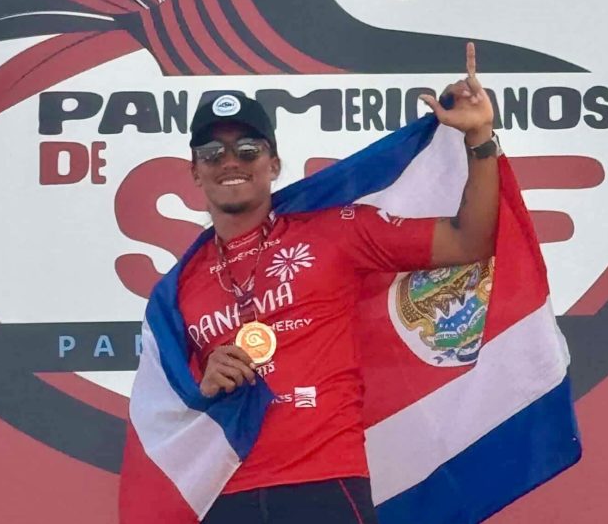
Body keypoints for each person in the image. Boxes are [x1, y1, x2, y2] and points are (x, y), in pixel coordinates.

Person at [181, 43, 499, 524]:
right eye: (212, 152)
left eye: (247, 150)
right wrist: (202, 385)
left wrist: (479, 138)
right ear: (194, 172)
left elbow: (469, 240)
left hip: (324, 485)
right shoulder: (179, 284)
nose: (230, 162)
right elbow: (168, 410)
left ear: (273, 164)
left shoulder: (337, 231)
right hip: (222, 494)